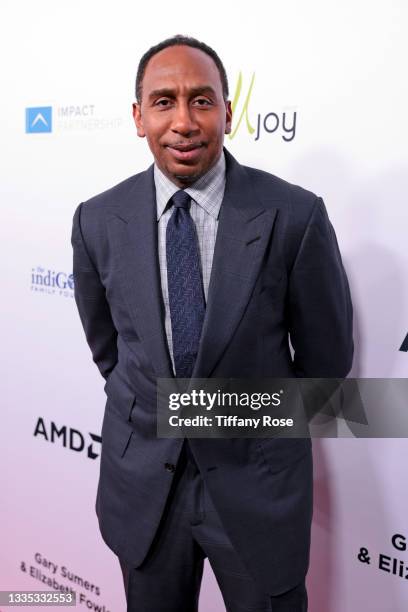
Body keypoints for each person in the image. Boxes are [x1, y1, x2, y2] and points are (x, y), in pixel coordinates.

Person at [71, 35, 353, 612]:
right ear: (138, 116)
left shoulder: (295, 216)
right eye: (164, 101)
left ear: (228, 110)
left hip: (258, 486)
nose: (183, 121)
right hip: (145, 487)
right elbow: (111, 351)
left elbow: (325, 366)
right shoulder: (97, 219)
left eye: (202, 101)